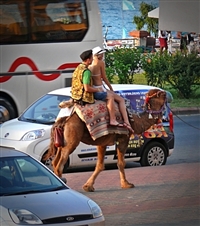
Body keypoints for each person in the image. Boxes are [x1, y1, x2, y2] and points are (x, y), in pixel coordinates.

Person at [71, 49, 124, 128]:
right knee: (110, 97)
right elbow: (87, 88)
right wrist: (97, 90)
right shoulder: (86, 72)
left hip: (76, 95)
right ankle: (112, 119)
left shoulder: (78, 68)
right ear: (88, 60)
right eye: (91, 58)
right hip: (86, 96)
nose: (93, 59)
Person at [88, 46, 134, 133]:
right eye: (101, 54)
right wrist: (111, 88)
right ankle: (125, 121)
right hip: (101, 88)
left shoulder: (90, 64)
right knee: (121, 100)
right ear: (98, 55)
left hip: (94, 88)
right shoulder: (100, 63)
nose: (102, 56)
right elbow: (104, 78)